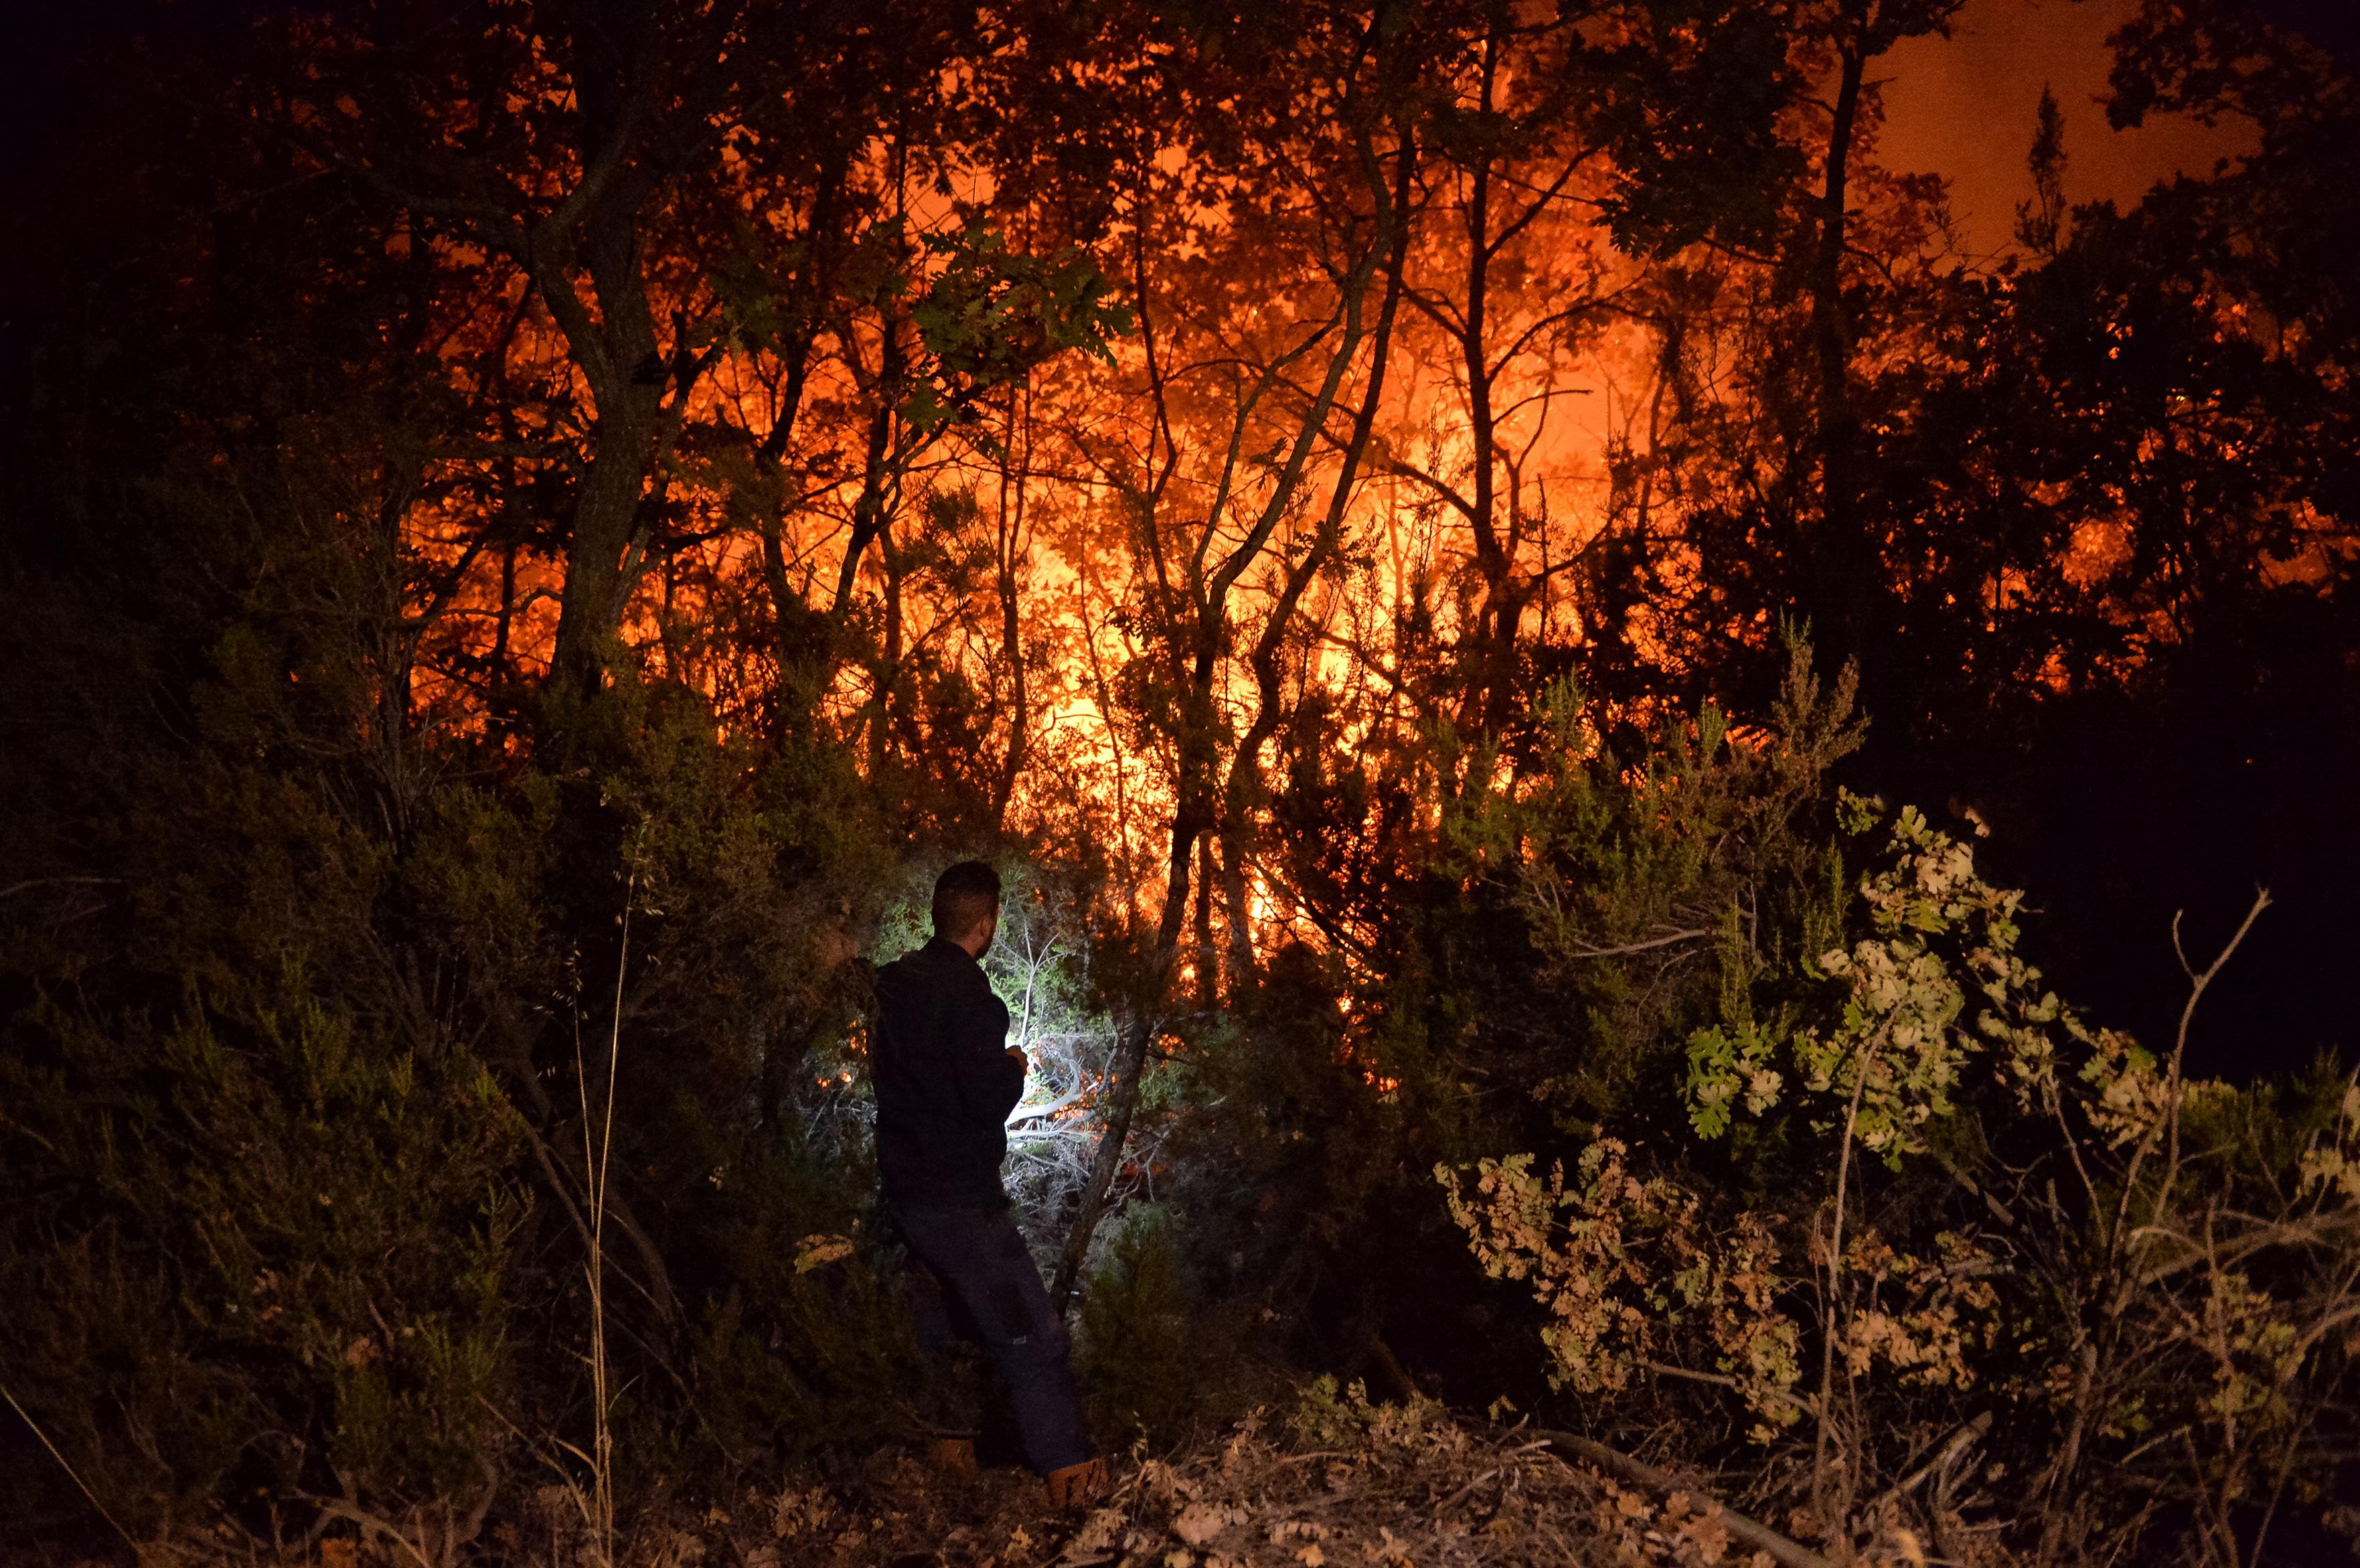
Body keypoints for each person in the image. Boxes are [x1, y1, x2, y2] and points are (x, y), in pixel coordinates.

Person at [872, 860, 1105, 1507]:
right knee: (1034, 1337)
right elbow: (981, 1101)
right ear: (987, 923)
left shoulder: (892, 984)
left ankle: (950, 1476)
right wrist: (1012, 1068)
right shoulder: (973, 1002)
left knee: (945, 1333)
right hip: (959, 1200)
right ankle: (1072, 1481)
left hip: (904, 1194)